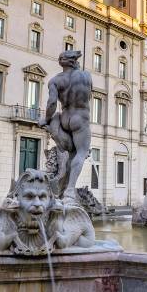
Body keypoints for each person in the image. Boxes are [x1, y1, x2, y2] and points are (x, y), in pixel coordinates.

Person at [38, 49, 92, 201]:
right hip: (80, 118)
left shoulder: (55, 80)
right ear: (75, 61)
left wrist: (46, 119)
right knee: (81, 153)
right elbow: (88, 96)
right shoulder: (86, 76)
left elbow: (52, 103)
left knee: (70, 157)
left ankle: (61, 190)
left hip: (64, 118)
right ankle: (69, 191)